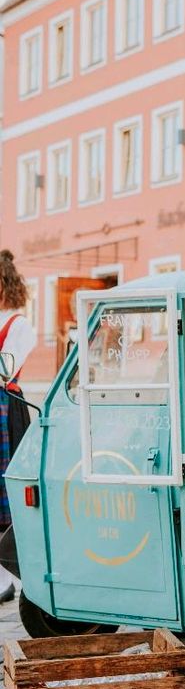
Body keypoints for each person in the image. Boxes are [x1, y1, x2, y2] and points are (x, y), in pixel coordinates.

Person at [0, 252, 37, 603]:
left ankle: (5, 578)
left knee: (4, 491)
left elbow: (4, 370)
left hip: (4, 407)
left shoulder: (18, 324)